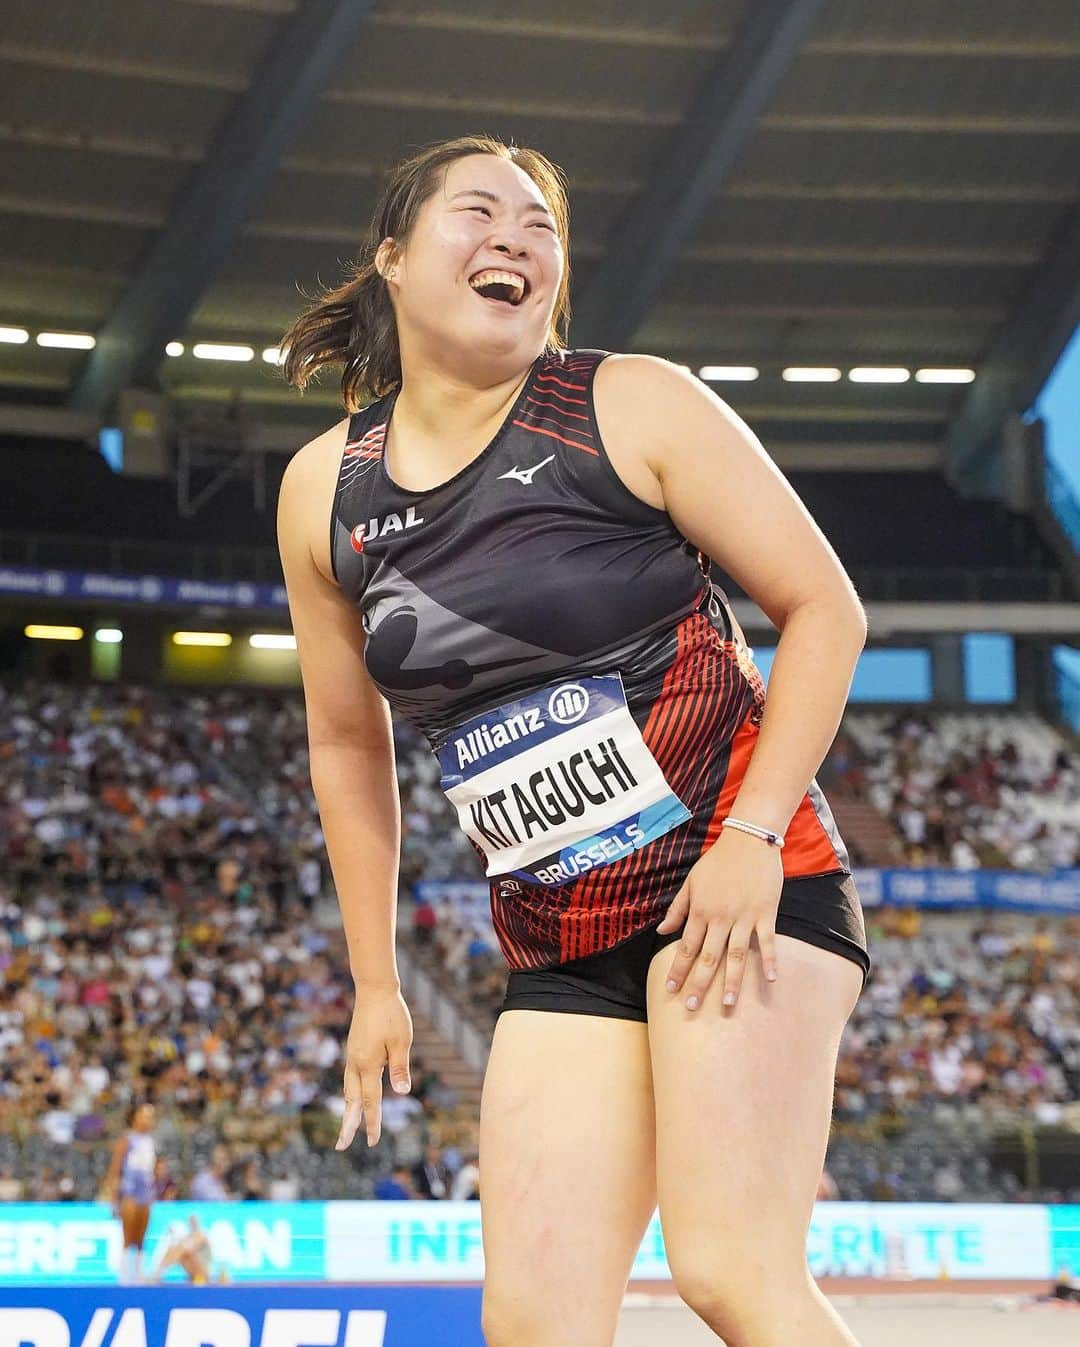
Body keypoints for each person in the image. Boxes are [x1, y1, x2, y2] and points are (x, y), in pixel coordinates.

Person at [277, 133, 871, 1347]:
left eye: (541, 225)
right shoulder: (325, 492)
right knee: (534, 1324)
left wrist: (755, 837)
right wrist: (378, 981)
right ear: (392, 259)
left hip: (737, 887)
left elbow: (827, 611)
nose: (518, 238)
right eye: (480, 212)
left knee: (729, 1271)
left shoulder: (625, 403)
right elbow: (347, 742)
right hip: (561, 936)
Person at [102, 1100, 157, 1285]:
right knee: (128, 1238)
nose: (149, 1120)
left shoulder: (150, 1141)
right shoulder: (127, 1139)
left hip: (145, 1193)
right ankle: (125, 1276)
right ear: (135, 1117)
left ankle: (139, 1275)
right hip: (130, 1192)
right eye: (145, 1115)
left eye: (151, 1116)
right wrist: (112, 1198)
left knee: (141, 1238)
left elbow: (151, 1170)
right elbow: (115, 1169)